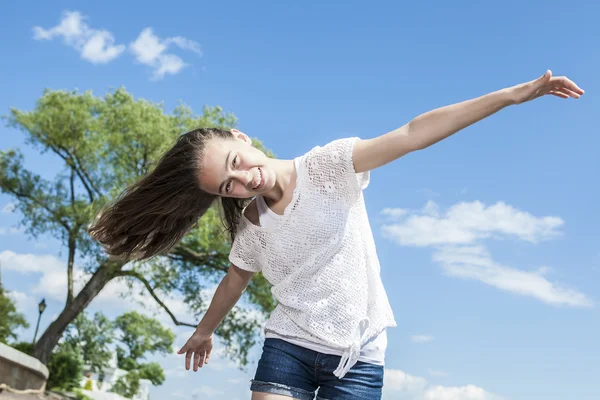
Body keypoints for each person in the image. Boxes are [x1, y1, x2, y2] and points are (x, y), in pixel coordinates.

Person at [88, 70, 583, 400]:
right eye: (228, 185)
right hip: (290, 347)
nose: (243, 181)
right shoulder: (252, 225)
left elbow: (412, 133)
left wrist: (514, 95)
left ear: (241, 138)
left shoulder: (327, 167)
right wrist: (204, 330)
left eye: (236, 164)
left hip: (359, 355)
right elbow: (234, 282)